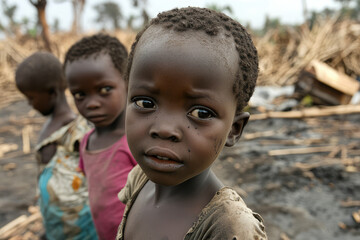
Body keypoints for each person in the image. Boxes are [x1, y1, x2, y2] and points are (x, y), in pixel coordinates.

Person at [116, 7, 268, 240]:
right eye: (145, 102)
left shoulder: (230, 228)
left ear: (234, 130)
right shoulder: (139, 180)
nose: (165, 129)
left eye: (200, 112)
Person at [15, 52, 96, 240]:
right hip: (57, 221)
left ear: (52, 92)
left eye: (32, 98)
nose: (29, 104)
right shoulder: (51, 123)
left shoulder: (77, 131)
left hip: (79, 225)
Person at [64, 33, 137, 240]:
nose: (92, 103)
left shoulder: (136, 141)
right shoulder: (87, 142)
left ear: (128, 81)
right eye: (80, 94)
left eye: (104, 90)